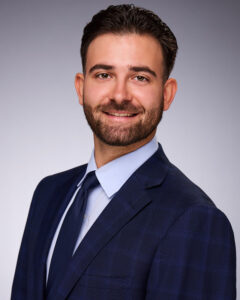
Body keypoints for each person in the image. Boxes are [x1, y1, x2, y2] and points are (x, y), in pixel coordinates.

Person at [11, 4, 236, 300]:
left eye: (140, 77)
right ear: (81, 88)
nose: (119, 95)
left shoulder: (195, 220)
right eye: (104, 75)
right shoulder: (48, 194)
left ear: (166, 94)